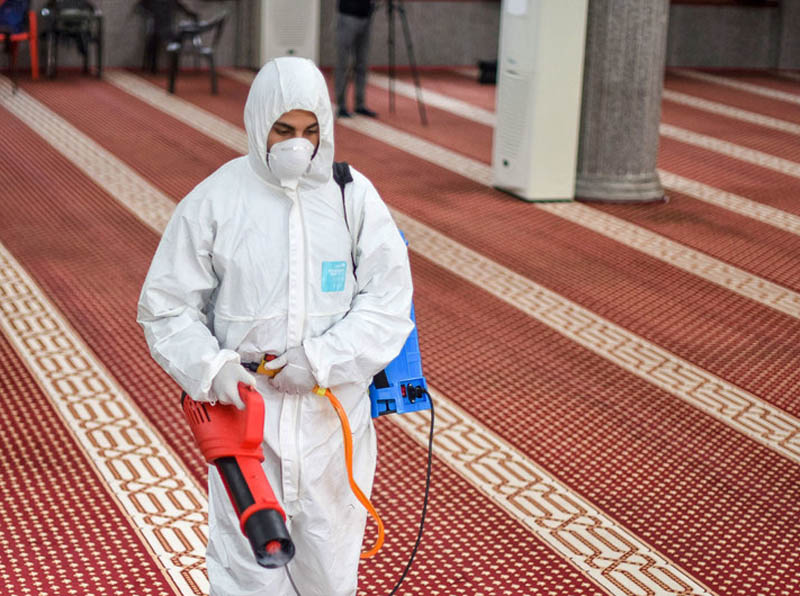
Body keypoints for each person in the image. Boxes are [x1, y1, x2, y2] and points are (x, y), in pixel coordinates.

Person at [137, 56, 414, 596]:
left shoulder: (351, 196)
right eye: (283, 130)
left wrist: (321, 359)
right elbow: (166, 307)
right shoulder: (216, 200)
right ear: (258, 123)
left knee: (330, 571)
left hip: (332, 426)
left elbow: (389, 302)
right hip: (247, 427)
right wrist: (212, 369)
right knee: (249, 572)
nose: (298, 145)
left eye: (311, 130)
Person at [335, 0, 378, 118]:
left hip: (366, 15)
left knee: (362, 64)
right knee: (343, 63)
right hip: (348, 15)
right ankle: (341, 105)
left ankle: (360, 104)